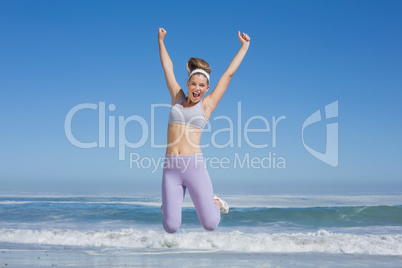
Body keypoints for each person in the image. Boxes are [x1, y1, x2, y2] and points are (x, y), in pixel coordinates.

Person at [158, 27, 250, 233]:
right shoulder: (177, 98)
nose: (197, 88)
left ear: (207, 88)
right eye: (194, 84)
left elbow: (228, 75)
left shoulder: (206, 106)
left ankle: (215, 202)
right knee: (171, 227)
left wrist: (244, 47)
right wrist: (161, 41)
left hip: (194, 167)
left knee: (210, 224)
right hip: (170, 168)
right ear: (188, 84)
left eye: (202, 85)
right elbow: (167, 68)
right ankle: (168, 206)